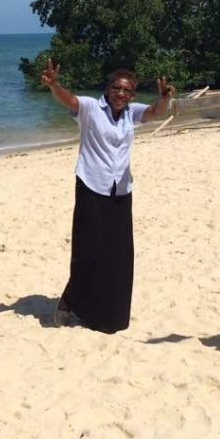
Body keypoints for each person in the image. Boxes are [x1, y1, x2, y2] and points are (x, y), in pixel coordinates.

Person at [41, 61, 175, 333]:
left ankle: (106, 314)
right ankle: (70, 300)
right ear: (108, 89)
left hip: (121, 190)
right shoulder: (91, 108)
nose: (121, 94)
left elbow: (154, 113)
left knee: (118, 255)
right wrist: (54, 85)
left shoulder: (130, 114)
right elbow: (69, 100)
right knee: (87, 250)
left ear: (132, 95)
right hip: (91, 184)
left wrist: (164, 98)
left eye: (127, 90)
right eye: (116, 88)